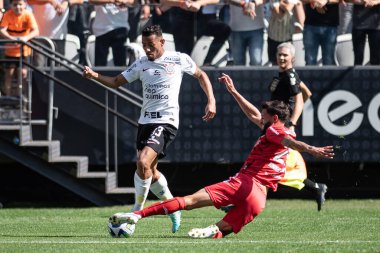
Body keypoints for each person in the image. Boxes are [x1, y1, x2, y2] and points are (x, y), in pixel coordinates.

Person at [108, 80, 334, 238]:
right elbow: (255, 116)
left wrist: (312, 149)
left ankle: (136, 215)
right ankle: (212, 231)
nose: (260, 115)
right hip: (259, 199)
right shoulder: (281, 128)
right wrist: (234, 92)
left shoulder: (274, 131)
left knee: (188, 201)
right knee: (220, 230)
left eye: (264, 114)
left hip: (245, 184)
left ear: (274, 118)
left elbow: (292, 144)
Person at [83, 24, 216, 233]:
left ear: (162, 42)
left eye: (151, 44)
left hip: (167, 121)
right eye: (144, 45)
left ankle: (135, 213)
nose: (147, 49)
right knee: (149, 171)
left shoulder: (178, 59)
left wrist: (211, 101)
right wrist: (94, 76)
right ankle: (173, 207)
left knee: (142, 161)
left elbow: (201, 75)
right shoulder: (141, 63)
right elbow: (117, 82)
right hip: (145, 122)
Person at [270, 42, 328, 211]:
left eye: (285, 55)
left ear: (293, 58)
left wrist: (292, 122)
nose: (282, 57)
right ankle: (316, 188)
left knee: (267, 162)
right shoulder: (285, 75)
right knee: (271, 163)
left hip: (283, 126)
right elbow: (307, 93)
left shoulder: (290, 76)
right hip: (276, 124)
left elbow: (301, 99)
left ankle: (240, 200)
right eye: (280, 54)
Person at [0, 0, 39, 97]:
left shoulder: (28, 15)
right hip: (10, 52)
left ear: (25, 4)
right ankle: (8, 98)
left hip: (24, 52)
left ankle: (21, 97)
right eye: (15, 5)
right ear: (10, 5)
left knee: (23, 75)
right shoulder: (8, 15)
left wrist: (25, 38)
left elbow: (36, 31)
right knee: (9, 74)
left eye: (20, 4)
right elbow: (2, 30)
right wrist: (11, 38)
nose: (18, 7)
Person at [89, 0, 133, 66]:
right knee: (100, 66)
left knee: (120, 66)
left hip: (120, 27)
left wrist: (125, 2)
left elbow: (132, 2)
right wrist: (111, 1)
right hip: (102, 29)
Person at [301, 0, 340, 65]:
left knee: (329, 61)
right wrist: (316, 1)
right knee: (310, 61)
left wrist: (326, 1)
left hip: (330, 25)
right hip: (311, 25)